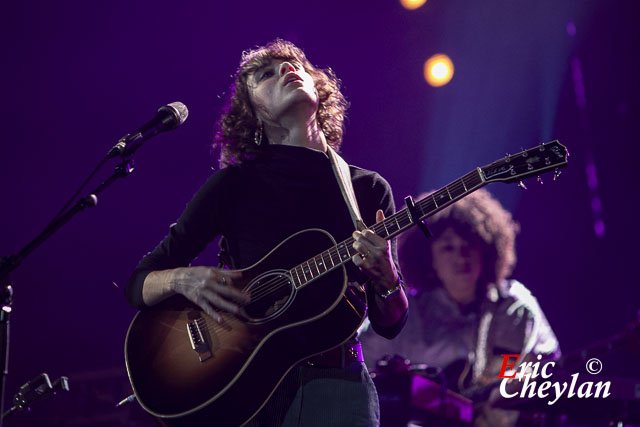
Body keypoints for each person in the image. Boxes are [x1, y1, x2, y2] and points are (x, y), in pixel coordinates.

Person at [124, 39, 408, 426]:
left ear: (318, 88)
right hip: (245, 386)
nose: (286, 71)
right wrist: (182, 278)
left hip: (336, 386)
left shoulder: (367, 190)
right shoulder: (233, 185)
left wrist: (386, 276)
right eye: (266, 74)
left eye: (294, 65)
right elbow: (139, 284)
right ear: (252, 114)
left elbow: (390, 323)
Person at [359, 188, 560, 426]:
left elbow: (514, 371)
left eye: (469, 245)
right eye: (448, 247)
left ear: (485, 250)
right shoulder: (409, 311)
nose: (461, 257)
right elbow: (360, 360)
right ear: (428, 258)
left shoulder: (513, 306)